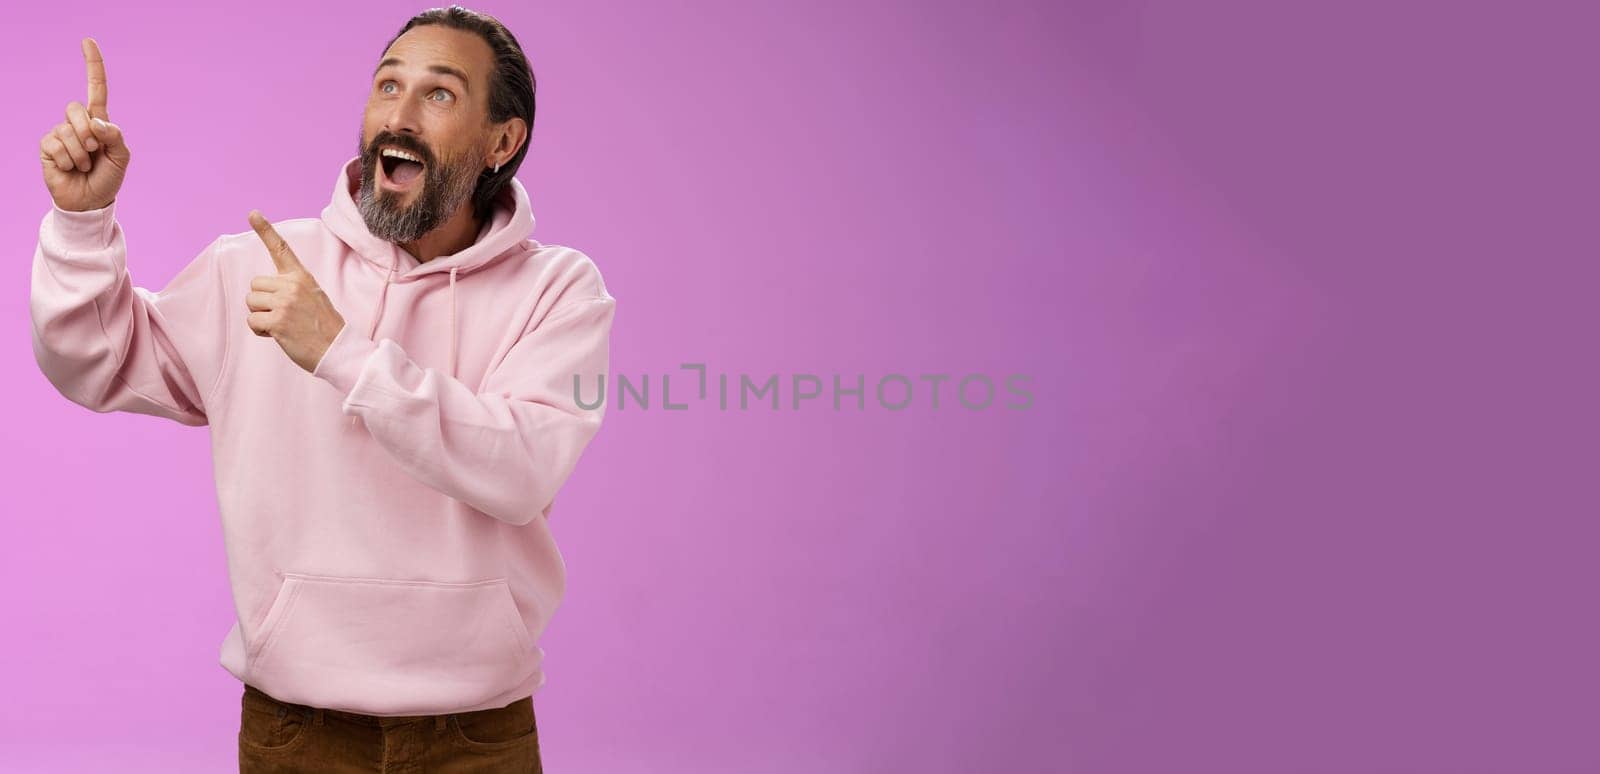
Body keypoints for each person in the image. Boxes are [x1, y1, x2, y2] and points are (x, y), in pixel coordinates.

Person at [30, 7, 615, 771]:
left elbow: (522, 470)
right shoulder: (262, 265)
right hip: (294, 730)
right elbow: (96, 361)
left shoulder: (559, 290)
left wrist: (344, 354)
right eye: (386, 86)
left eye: (438, 95)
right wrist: (82, 223)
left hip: (476, 736)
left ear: (503, 142)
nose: (398, 115)